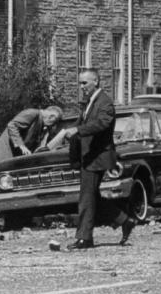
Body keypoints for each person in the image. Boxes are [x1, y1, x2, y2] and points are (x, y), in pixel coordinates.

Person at [52, 68, 137, 250]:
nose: (81, 87)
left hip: (97, 157)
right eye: (80, 83)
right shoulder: (89, 102)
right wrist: (67, 133)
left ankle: (84, 238)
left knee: (86, 198)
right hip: (88, 156)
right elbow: (82, 123)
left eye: (85, 83)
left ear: (96, 81)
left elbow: (101, 124)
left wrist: (78, 131)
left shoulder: (105, 102)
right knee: (92, 197)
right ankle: (124, 220)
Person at [0, 106, 64, 162]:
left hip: (14, 158)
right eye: (54, 123)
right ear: (51, 117)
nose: (52, 126)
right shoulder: (32, 113)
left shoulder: (41, 124)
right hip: (3, 155)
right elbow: (12, 125)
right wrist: (21, 145)